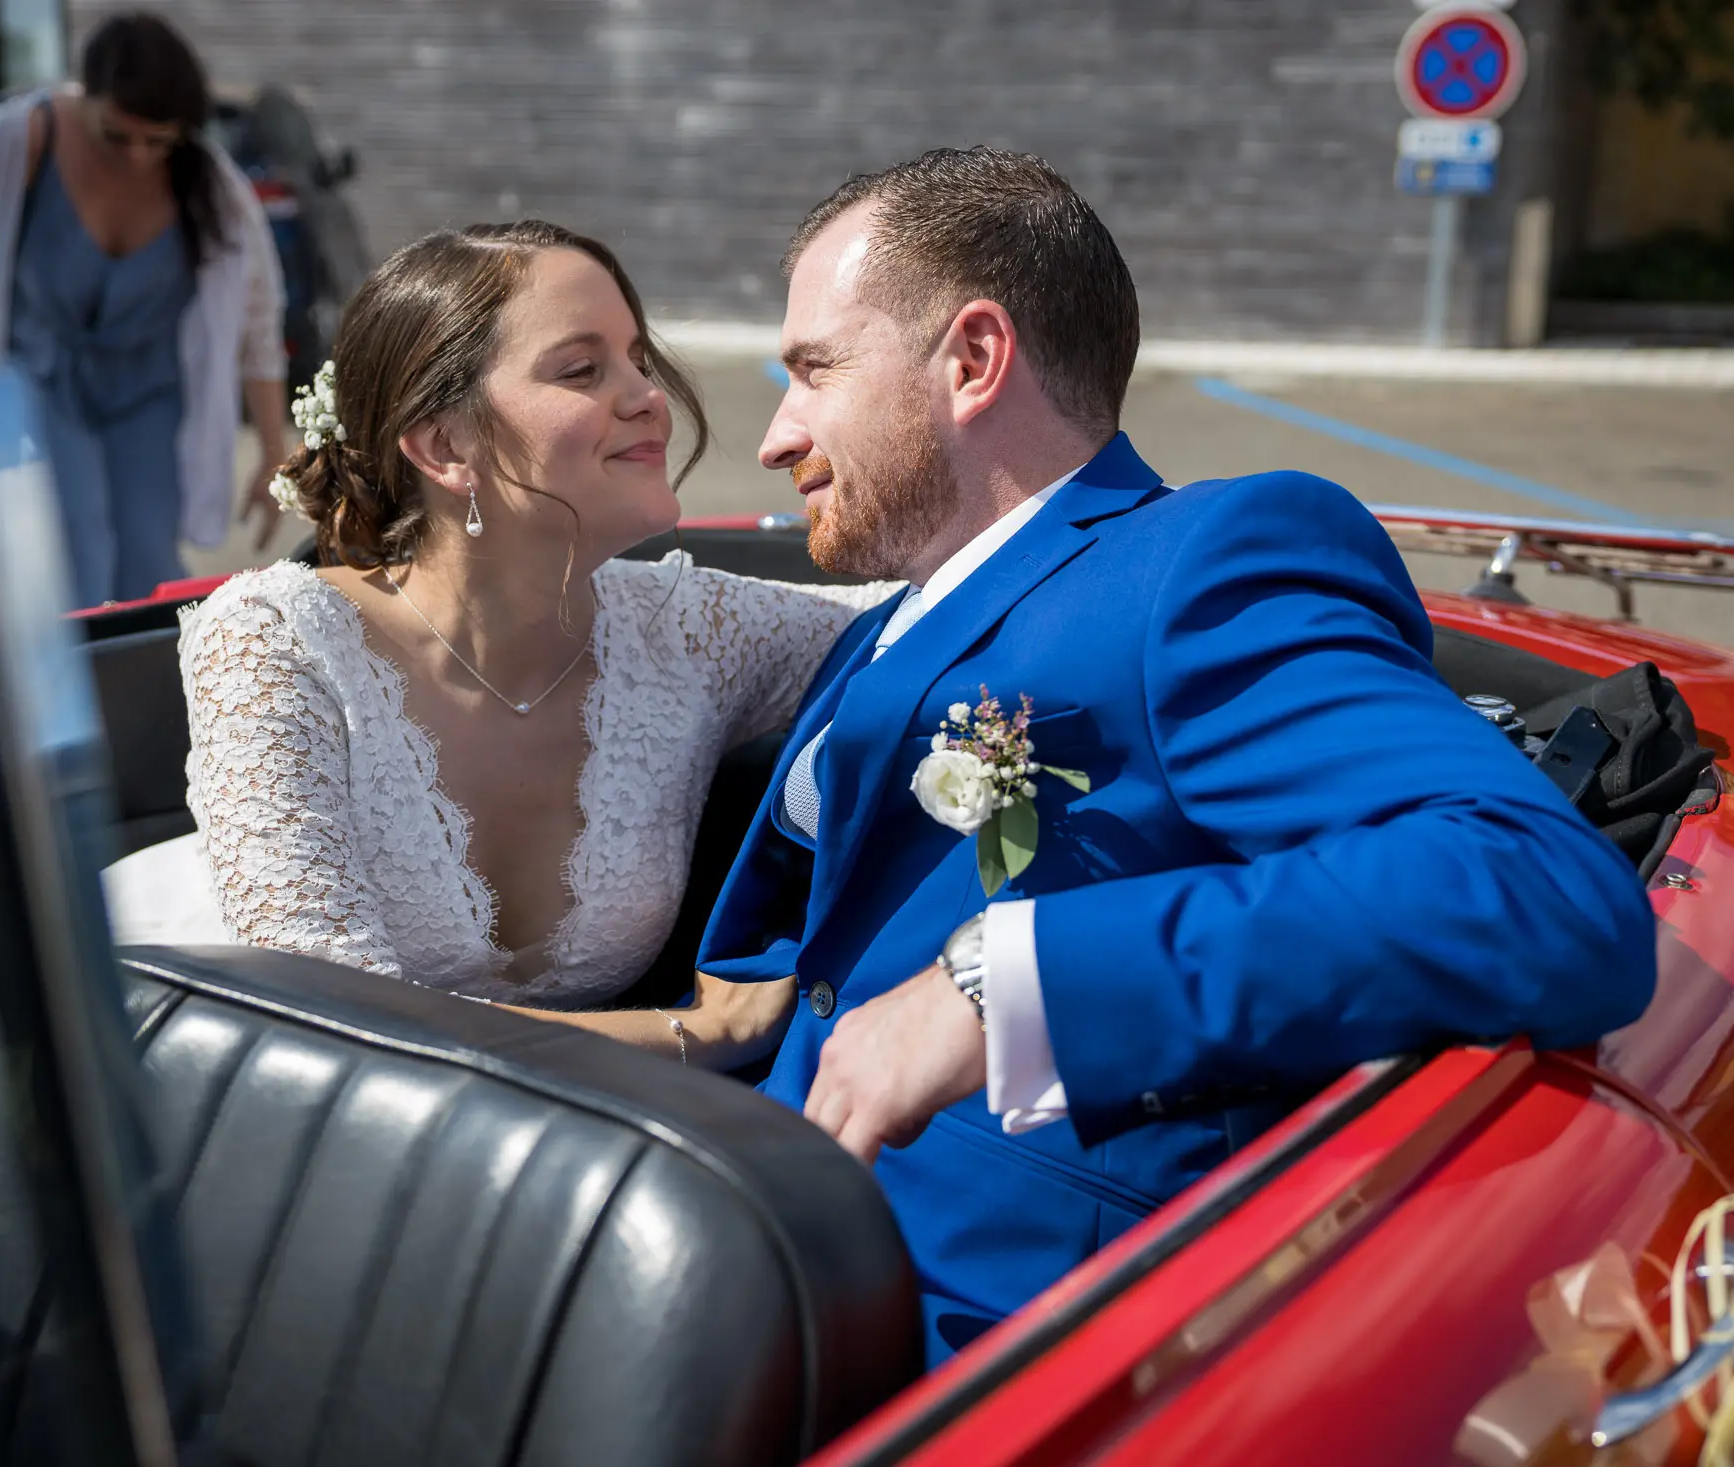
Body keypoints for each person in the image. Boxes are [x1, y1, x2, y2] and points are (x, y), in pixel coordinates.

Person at [695, 148, 1660, 1364]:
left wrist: (1006, 987)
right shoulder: (891, 619)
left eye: (814, 369)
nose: (776, 434)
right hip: (765, 1253)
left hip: (1009, 1350)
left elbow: (1541, 890)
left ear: (973, 360)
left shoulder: (1203, 564)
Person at [101, 220, 900, 1070]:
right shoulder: (277, 639)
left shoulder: (688, 628)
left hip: (527, 1122)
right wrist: (702, 1031)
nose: (647, 396)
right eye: (582, 370)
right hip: (179, 1079)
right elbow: (327, 1021)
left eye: (638, 360)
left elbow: (943, 614)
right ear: (445, 446)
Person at [0, 12, 291, 608]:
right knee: (78, 554)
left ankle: (143, 663)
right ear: (83, 97)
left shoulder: (213, 189)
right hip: (42, 382)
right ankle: (72, 665)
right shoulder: (23, 140)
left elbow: (258, 323)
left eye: (157, 142)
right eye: (116, 136)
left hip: (150, 394)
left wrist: (273, 454)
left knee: (148, 559)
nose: (138, 156)